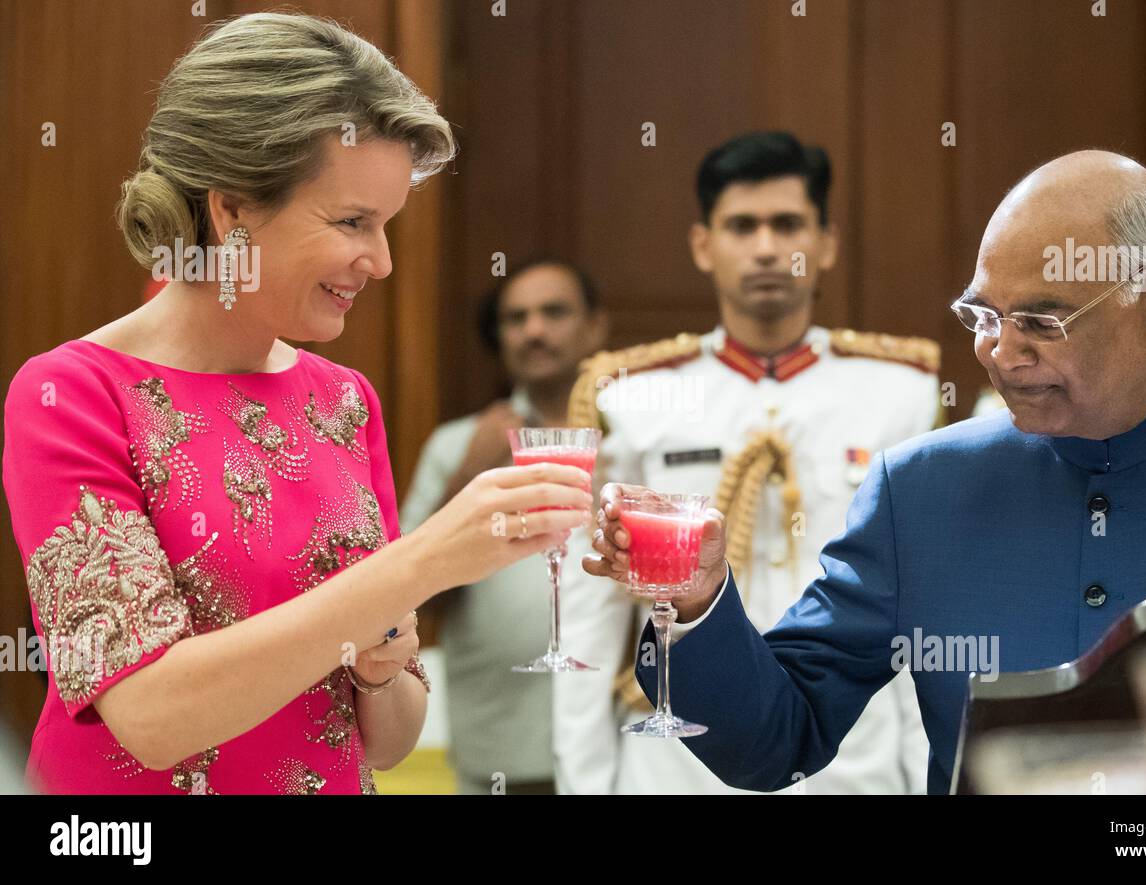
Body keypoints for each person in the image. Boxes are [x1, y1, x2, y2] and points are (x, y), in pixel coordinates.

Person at [583, 150, 1146, 794]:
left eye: (1040, 323)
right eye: (984, 315)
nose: (997, 353)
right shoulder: (923, 489)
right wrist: (702, 601)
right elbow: (778, 741)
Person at [2, 12, 590, 795]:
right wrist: (423, 561)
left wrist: (383, 671)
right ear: (233, 209)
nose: (379, 261)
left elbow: (390, 737)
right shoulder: (70, 394)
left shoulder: (346, 400)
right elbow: (150, 717)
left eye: (385, 226)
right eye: (353, 221)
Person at [555, 132, 938, 794]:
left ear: (826, 242)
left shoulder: (902, 394)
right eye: (741, 225)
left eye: (787, 224)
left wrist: (924, 771)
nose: (765, 247)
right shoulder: (629, 395)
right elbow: (588, 612)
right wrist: (586, 783)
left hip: (853, 756)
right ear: (704, 245)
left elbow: (920, 614)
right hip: (676, 762)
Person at [400, 258, 608, 794]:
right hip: (502, 756)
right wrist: (470, 476)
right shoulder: (458, 447)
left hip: (622, 744)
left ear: (595, 327)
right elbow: (402, 600)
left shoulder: (636, 441)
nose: (533, 330)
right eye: (516, 318)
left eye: (554, 312)